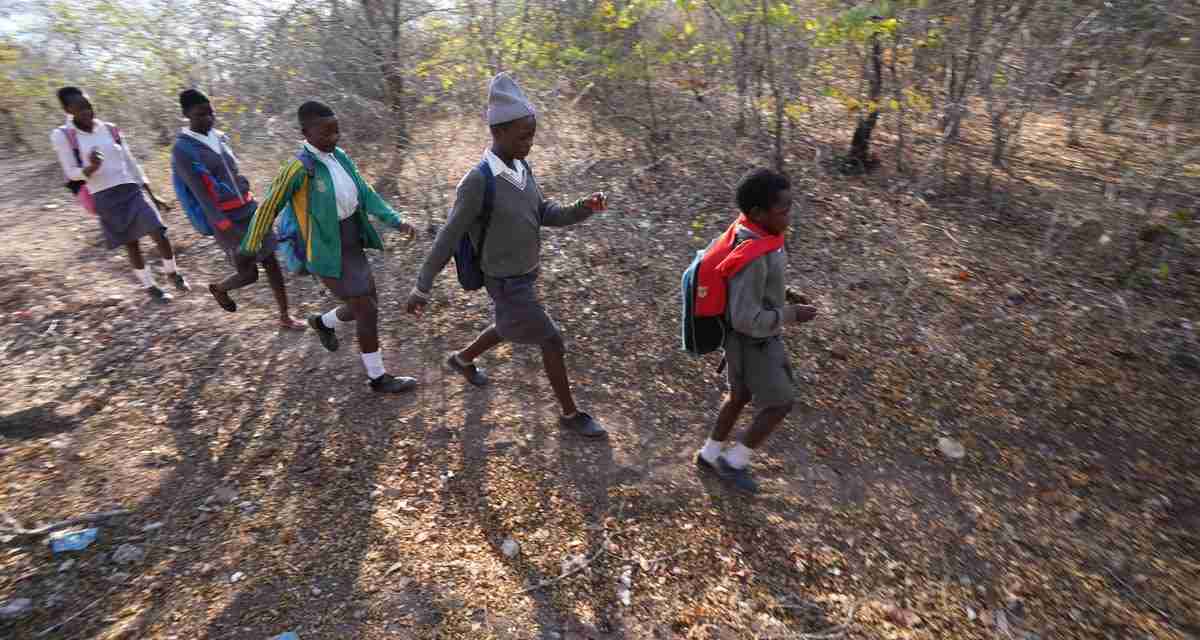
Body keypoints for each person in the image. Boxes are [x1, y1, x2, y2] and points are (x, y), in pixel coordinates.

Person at [404, 73, 609, 438]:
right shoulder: (478, 182)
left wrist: (583, 208)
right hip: (504, 281)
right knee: (551, 340)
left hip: (526, 276)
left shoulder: (521, 166)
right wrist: (422, 286)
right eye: (522, 136)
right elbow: (448, 236)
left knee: (507, 326)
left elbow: (544, 212)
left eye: (532, 135)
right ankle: (569, 414)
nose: (529, 143)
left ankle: (462, 358)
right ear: (498, 132)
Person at [241, 100, 419, 393]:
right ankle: (378, 378)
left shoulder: (341, 157)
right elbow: (268, 207)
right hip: (324, 247)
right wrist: (249, 247)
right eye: (325, 133)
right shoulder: (298, 168)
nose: (333, 138)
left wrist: (396, 221)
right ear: (305, 132)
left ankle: (323, 322)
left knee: (363, 304)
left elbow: (365, 192)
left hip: (352, 241)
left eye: (336, 131)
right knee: (367, 309)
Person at [694, 168, 817, 493]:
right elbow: (746, 317)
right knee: (780, 403)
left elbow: (753, 290)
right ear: (759, 213)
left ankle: (708, 455)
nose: (790, 215)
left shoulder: (755, 235)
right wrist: (791, 313)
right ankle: (732, 462)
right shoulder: (754, 255)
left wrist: (785, 294)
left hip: (745, 342)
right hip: (753, 343)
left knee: (740, 395)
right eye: (784, 210)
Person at [171, 89, 304, 330]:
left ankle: (285, 316)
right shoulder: (183, 149)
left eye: (211, 113)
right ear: (186, 114)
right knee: (249, 273)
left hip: (249, 208)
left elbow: (234, 173)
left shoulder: (220, 137)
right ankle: (219, 289)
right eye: (201, 114)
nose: (209, 119)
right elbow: (200, 194)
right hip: (225, 219)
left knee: (270, 259)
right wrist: (224, 225)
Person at [50, 86, 189, 301]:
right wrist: (92, 168)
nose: (87, 111)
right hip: (103, 195)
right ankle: (150, 287)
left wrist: (152, 194)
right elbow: (71, 173)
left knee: (159, 231)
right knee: (131, 243)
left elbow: (131, 162)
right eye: (80, 108)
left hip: (130, 188)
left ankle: (173, 273)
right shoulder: (63, 136)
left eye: (89, 106)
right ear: (68, 110)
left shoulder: (109, 128)